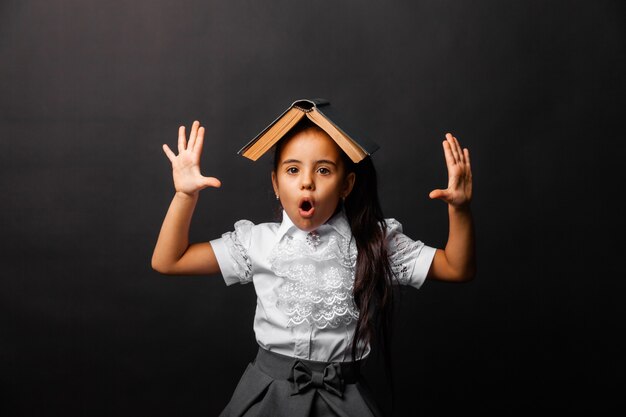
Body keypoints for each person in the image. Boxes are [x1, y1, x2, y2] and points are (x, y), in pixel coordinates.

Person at [151, 117, 475, 417]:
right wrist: (184, 195)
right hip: (268, 396)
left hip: (344, 398)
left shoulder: (373, 242)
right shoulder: (256, 242)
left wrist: (459, 209)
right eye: (293, 170)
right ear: (276, 183)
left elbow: (457, 268)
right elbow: (169, 261)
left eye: (323, 170)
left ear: (346, 185)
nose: (307, 182)